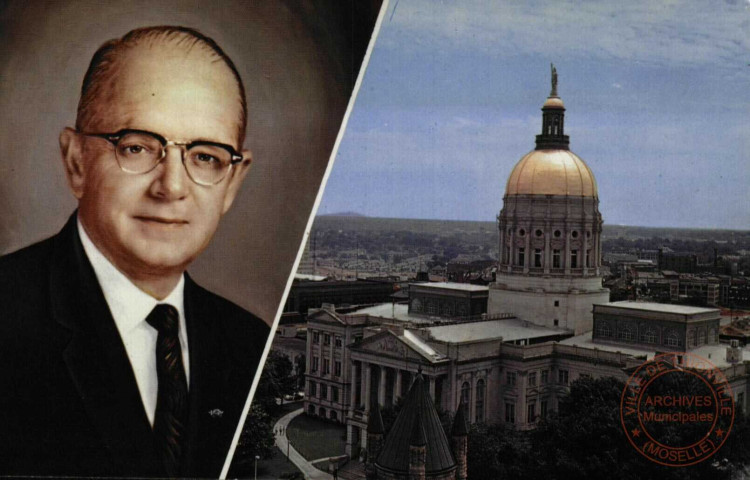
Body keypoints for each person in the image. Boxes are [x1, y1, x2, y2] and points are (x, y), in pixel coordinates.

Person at [0, 26, 270, 477]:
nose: (172, 187)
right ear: (76, 162)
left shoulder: (250, 344)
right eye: (137, 147)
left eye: (205, 156)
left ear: (232, 184)